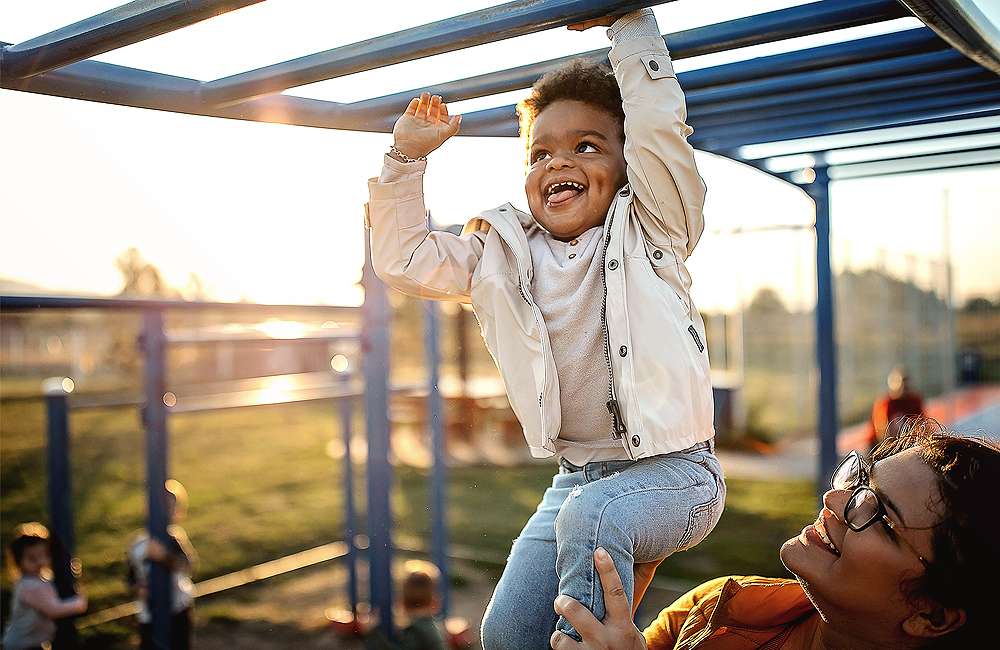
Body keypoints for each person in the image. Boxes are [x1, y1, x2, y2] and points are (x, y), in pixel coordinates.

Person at [366, 8, 725, 648]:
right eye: (541, 152)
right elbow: (403, 260)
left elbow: (658, 129)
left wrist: (631, 27)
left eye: (588, 146)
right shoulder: (500, 251)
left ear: (626, 166)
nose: (560, 161)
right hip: (576, 479)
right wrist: (403, 160)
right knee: (503, 633)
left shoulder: (652, 229)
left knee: (593, 521)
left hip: (676, 476)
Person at [551, 420, 1000, 650]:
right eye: (859, 480)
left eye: (877, 512)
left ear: (934, 616)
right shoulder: (724, 605)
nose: (835, 501)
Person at [127, 479, 198, 650]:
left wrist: (164, 556)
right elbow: (130, 574)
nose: (166, 513)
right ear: (147, 510)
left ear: (177, 512)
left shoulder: (174, 538)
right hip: (149, 614)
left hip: (178, 609)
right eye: (161, 508)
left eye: (171, 507)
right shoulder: (137, 544)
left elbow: (187, 565)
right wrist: (137, 588)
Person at [2, 522, 88, 650]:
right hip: (22, 645)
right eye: (32, 558)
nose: (40, 562)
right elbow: (54, 610)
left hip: (34, 643)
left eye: (44, 555)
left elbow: (52, 584)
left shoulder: (38, 578)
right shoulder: (29, 587)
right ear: (18, 561)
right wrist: (79, 603)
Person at [363, 560, 447, 650]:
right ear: (434, 601)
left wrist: (375, 630)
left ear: (403, 601)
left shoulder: (416, 631)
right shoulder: (431, 626)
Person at [867, 365, 925, 453]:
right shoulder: (886, 403)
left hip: (907, 444)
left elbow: (922, 424)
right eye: (900, 382)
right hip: (882, 445)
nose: (903, 386)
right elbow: (882, 430)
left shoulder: (914, 401)